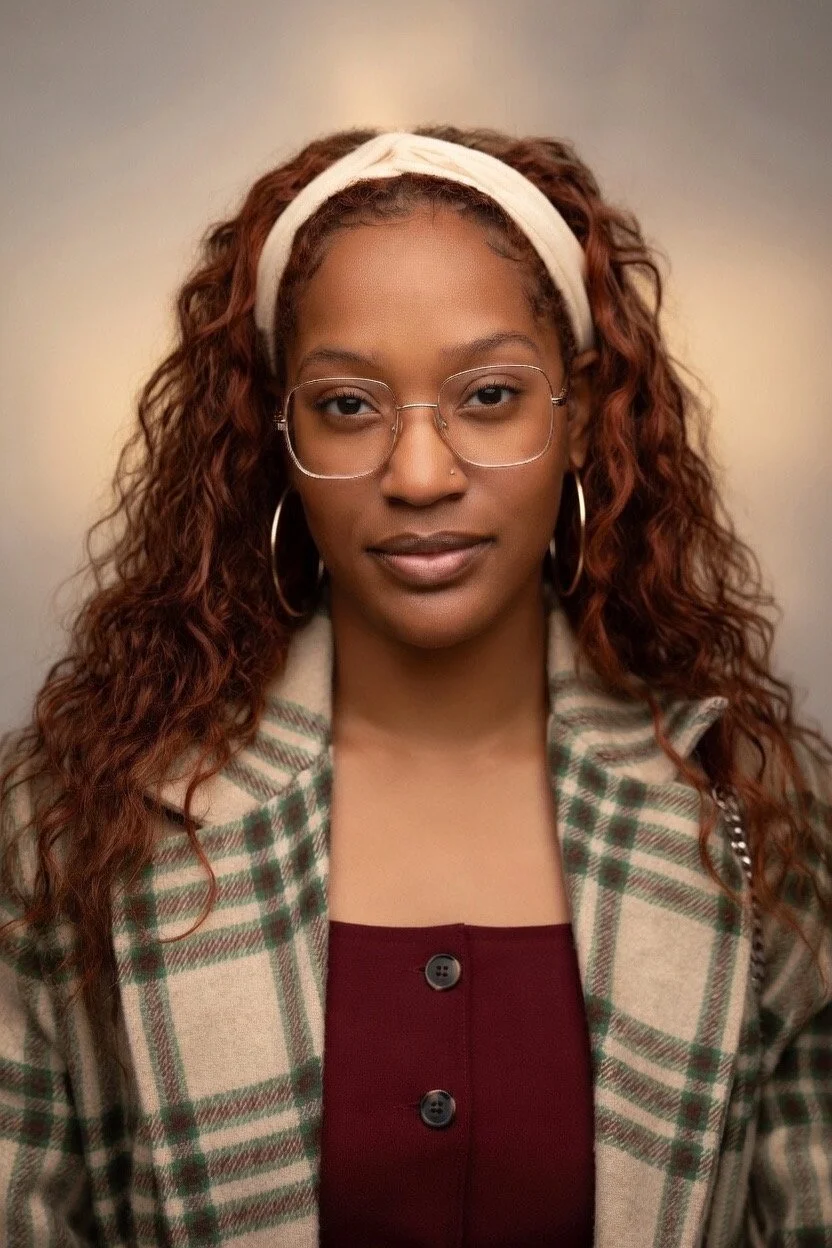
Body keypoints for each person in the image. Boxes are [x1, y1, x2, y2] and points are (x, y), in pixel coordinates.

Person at [0, 125, 829, 1247]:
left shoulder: (757, 811)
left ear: (577, 420)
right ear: (276, 435)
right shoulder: (72, 828)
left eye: (489, 396)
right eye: (347, 405)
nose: (421, 474)